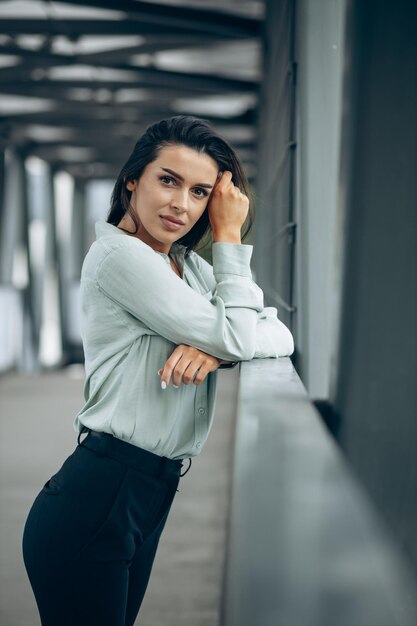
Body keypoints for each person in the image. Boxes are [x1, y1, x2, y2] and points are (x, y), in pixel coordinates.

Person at [22, 114, 294, 626]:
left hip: (150, 491)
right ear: (132, 180)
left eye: (199, 192)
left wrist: (218, 350)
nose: (181, 205)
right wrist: (229, 236)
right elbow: (240, 328)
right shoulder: (119, 258)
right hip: (101, 491)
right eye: (168, 180)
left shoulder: (189, 269)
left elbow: (279, 333)